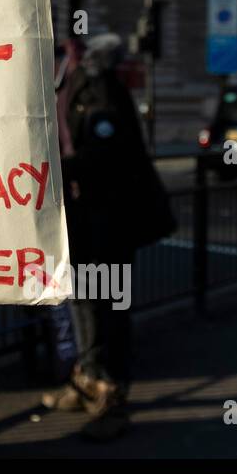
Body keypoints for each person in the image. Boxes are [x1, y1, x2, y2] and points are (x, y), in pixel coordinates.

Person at [41, 33, 171, 441]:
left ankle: (112, 398)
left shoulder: (98, 86)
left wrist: (53, 172)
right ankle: (86, 381)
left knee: (107, 310)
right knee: (82, 303)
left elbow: (105, 155)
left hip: (109, 221)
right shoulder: (66, 84)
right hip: (83, 219)